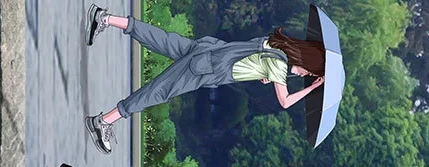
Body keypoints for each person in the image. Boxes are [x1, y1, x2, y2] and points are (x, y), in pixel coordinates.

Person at [85, 18, 333, 132]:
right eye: (310, 71)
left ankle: (106, 18)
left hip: (210, 50)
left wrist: (262, 73)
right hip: (208, 68)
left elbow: (249, 54)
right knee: (160, 90)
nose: (306, 74)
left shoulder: (276, 44)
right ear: (307, 62)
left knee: (163, 40)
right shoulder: (279, 65)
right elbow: (285, 102)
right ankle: (104, 121)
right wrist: (311, 89)